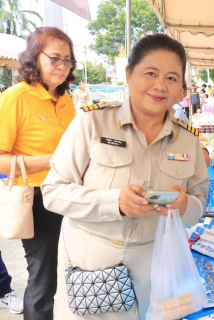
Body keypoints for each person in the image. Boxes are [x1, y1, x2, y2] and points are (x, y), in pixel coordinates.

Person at [41, 33, 209, 319]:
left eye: (171, 78)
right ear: (129, 74)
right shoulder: (91, 123)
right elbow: (53, 192)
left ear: (181, 88)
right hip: (94, 277)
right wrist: (114, 202)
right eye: (151, 73)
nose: (160, 86)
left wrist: (184, 207)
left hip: (158, 276)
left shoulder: (188, 140)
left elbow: (199, 203)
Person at [0, 27, 76, 320]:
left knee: (65, 272)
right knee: (43, 279)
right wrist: (50, 160)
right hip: (35, 199)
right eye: (54, 58)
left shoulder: (66, 99)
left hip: (69, 194)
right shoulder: (16, 97)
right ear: (35, 57)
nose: (62, 66)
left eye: (68, 60)